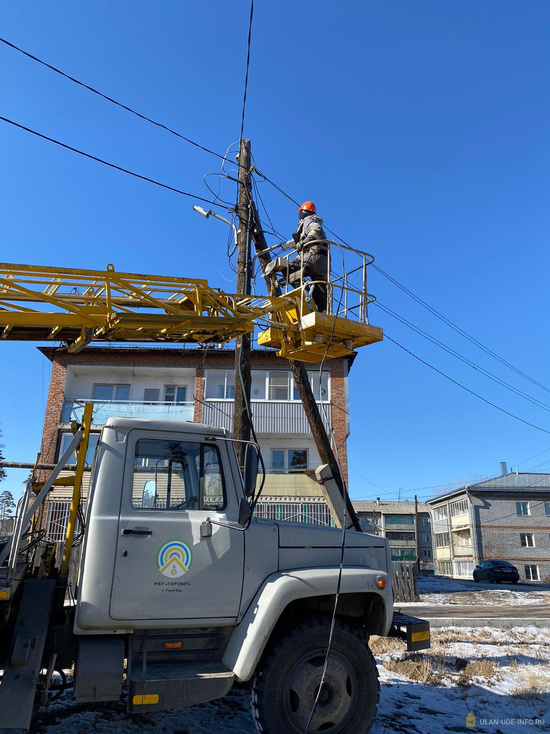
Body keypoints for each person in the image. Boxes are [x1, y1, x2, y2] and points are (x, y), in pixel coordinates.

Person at [285, 201, 329, 313]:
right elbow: (295, 242)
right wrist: (284, 246)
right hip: (323, 262)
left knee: (287, 269)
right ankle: (323, 311)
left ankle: (306, 293)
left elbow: (315, 231)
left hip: (311, 257)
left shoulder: (309, 220)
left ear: (301, 213)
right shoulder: (313, 220)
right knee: (320, 287)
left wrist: (303, 242)